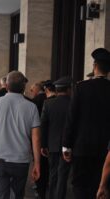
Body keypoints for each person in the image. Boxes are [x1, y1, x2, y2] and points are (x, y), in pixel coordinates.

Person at [0, 71, 41, 199]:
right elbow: (36, 138)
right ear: (24, 87)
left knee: (0, 194)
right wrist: (37, 163)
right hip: (21, 160)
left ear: (6, 86)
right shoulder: (31, 107)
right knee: (18, 195)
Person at [62, 48, 110, 199]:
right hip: (105, 149)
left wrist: (66, 145)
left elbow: (72, 118)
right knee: (102, 187)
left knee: (80, 186)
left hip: (81, 147)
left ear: (94, 66)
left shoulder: (81, 87)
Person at [41, 77, 72, 199]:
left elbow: (43, 125)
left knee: (53, 174)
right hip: (68, 144)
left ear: (57, 90)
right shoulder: (73, 103)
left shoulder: (48, 103)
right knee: (63, 175)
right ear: (69, 89)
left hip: (52, 144)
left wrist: (43, 145)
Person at [31, 81, 48, 199]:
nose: (31, 92)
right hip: (49, 137)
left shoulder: (34, 102)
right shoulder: (49, 99)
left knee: (38, 162)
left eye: (32, 90)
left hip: (37, 136)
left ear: (37, 89)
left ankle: (39, 185)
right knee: (46, 164)